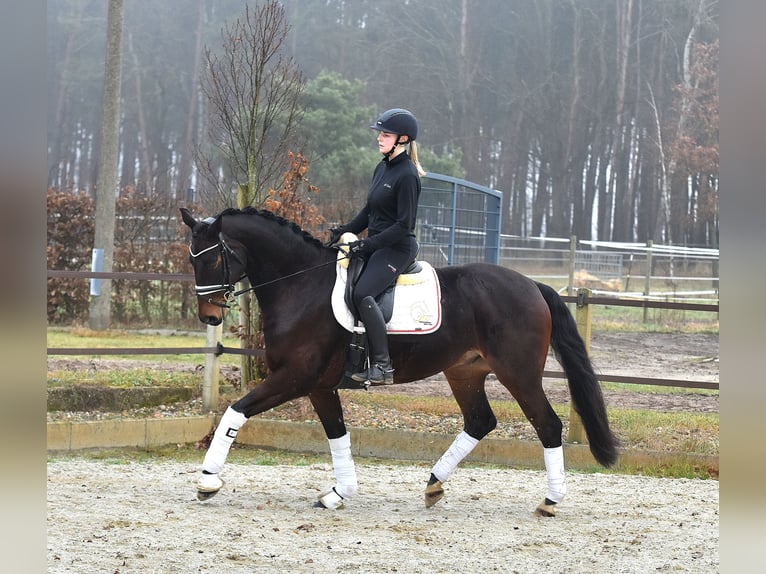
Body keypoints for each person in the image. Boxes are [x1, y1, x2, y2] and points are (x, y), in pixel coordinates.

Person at [328, 108, 425, 385]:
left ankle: (383, 366)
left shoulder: (407, 175)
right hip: (378, 245)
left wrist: (367, 244)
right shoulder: (382, 167)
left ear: (402, 139)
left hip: (397, 249)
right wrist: (344, 230)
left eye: (385, 134)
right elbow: (369, 212)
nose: (379, 138)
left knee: (362, 293)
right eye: (380, 134)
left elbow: (404, 226)